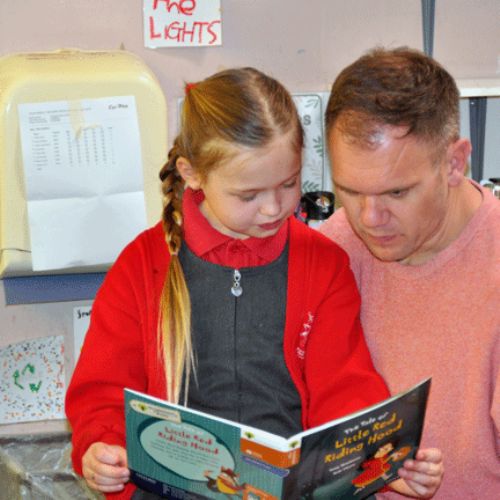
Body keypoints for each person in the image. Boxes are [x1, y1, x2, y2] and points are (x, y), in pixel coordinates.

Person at [65, 67, 442, 499]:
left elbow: (344, 389)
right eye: (249, 195)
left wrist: (382, 460)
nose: (273, 208)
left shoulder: (323, 265)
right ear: (192, 174)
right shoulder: (142, 266)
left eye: (288, 184)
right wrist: (101, 449)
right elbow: (101, 392)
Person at [320, 47, 500, 499]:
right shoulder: (330, 250)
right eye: (349, 191)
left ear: (454, 163)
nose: (369, 218)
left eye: (397, 192)